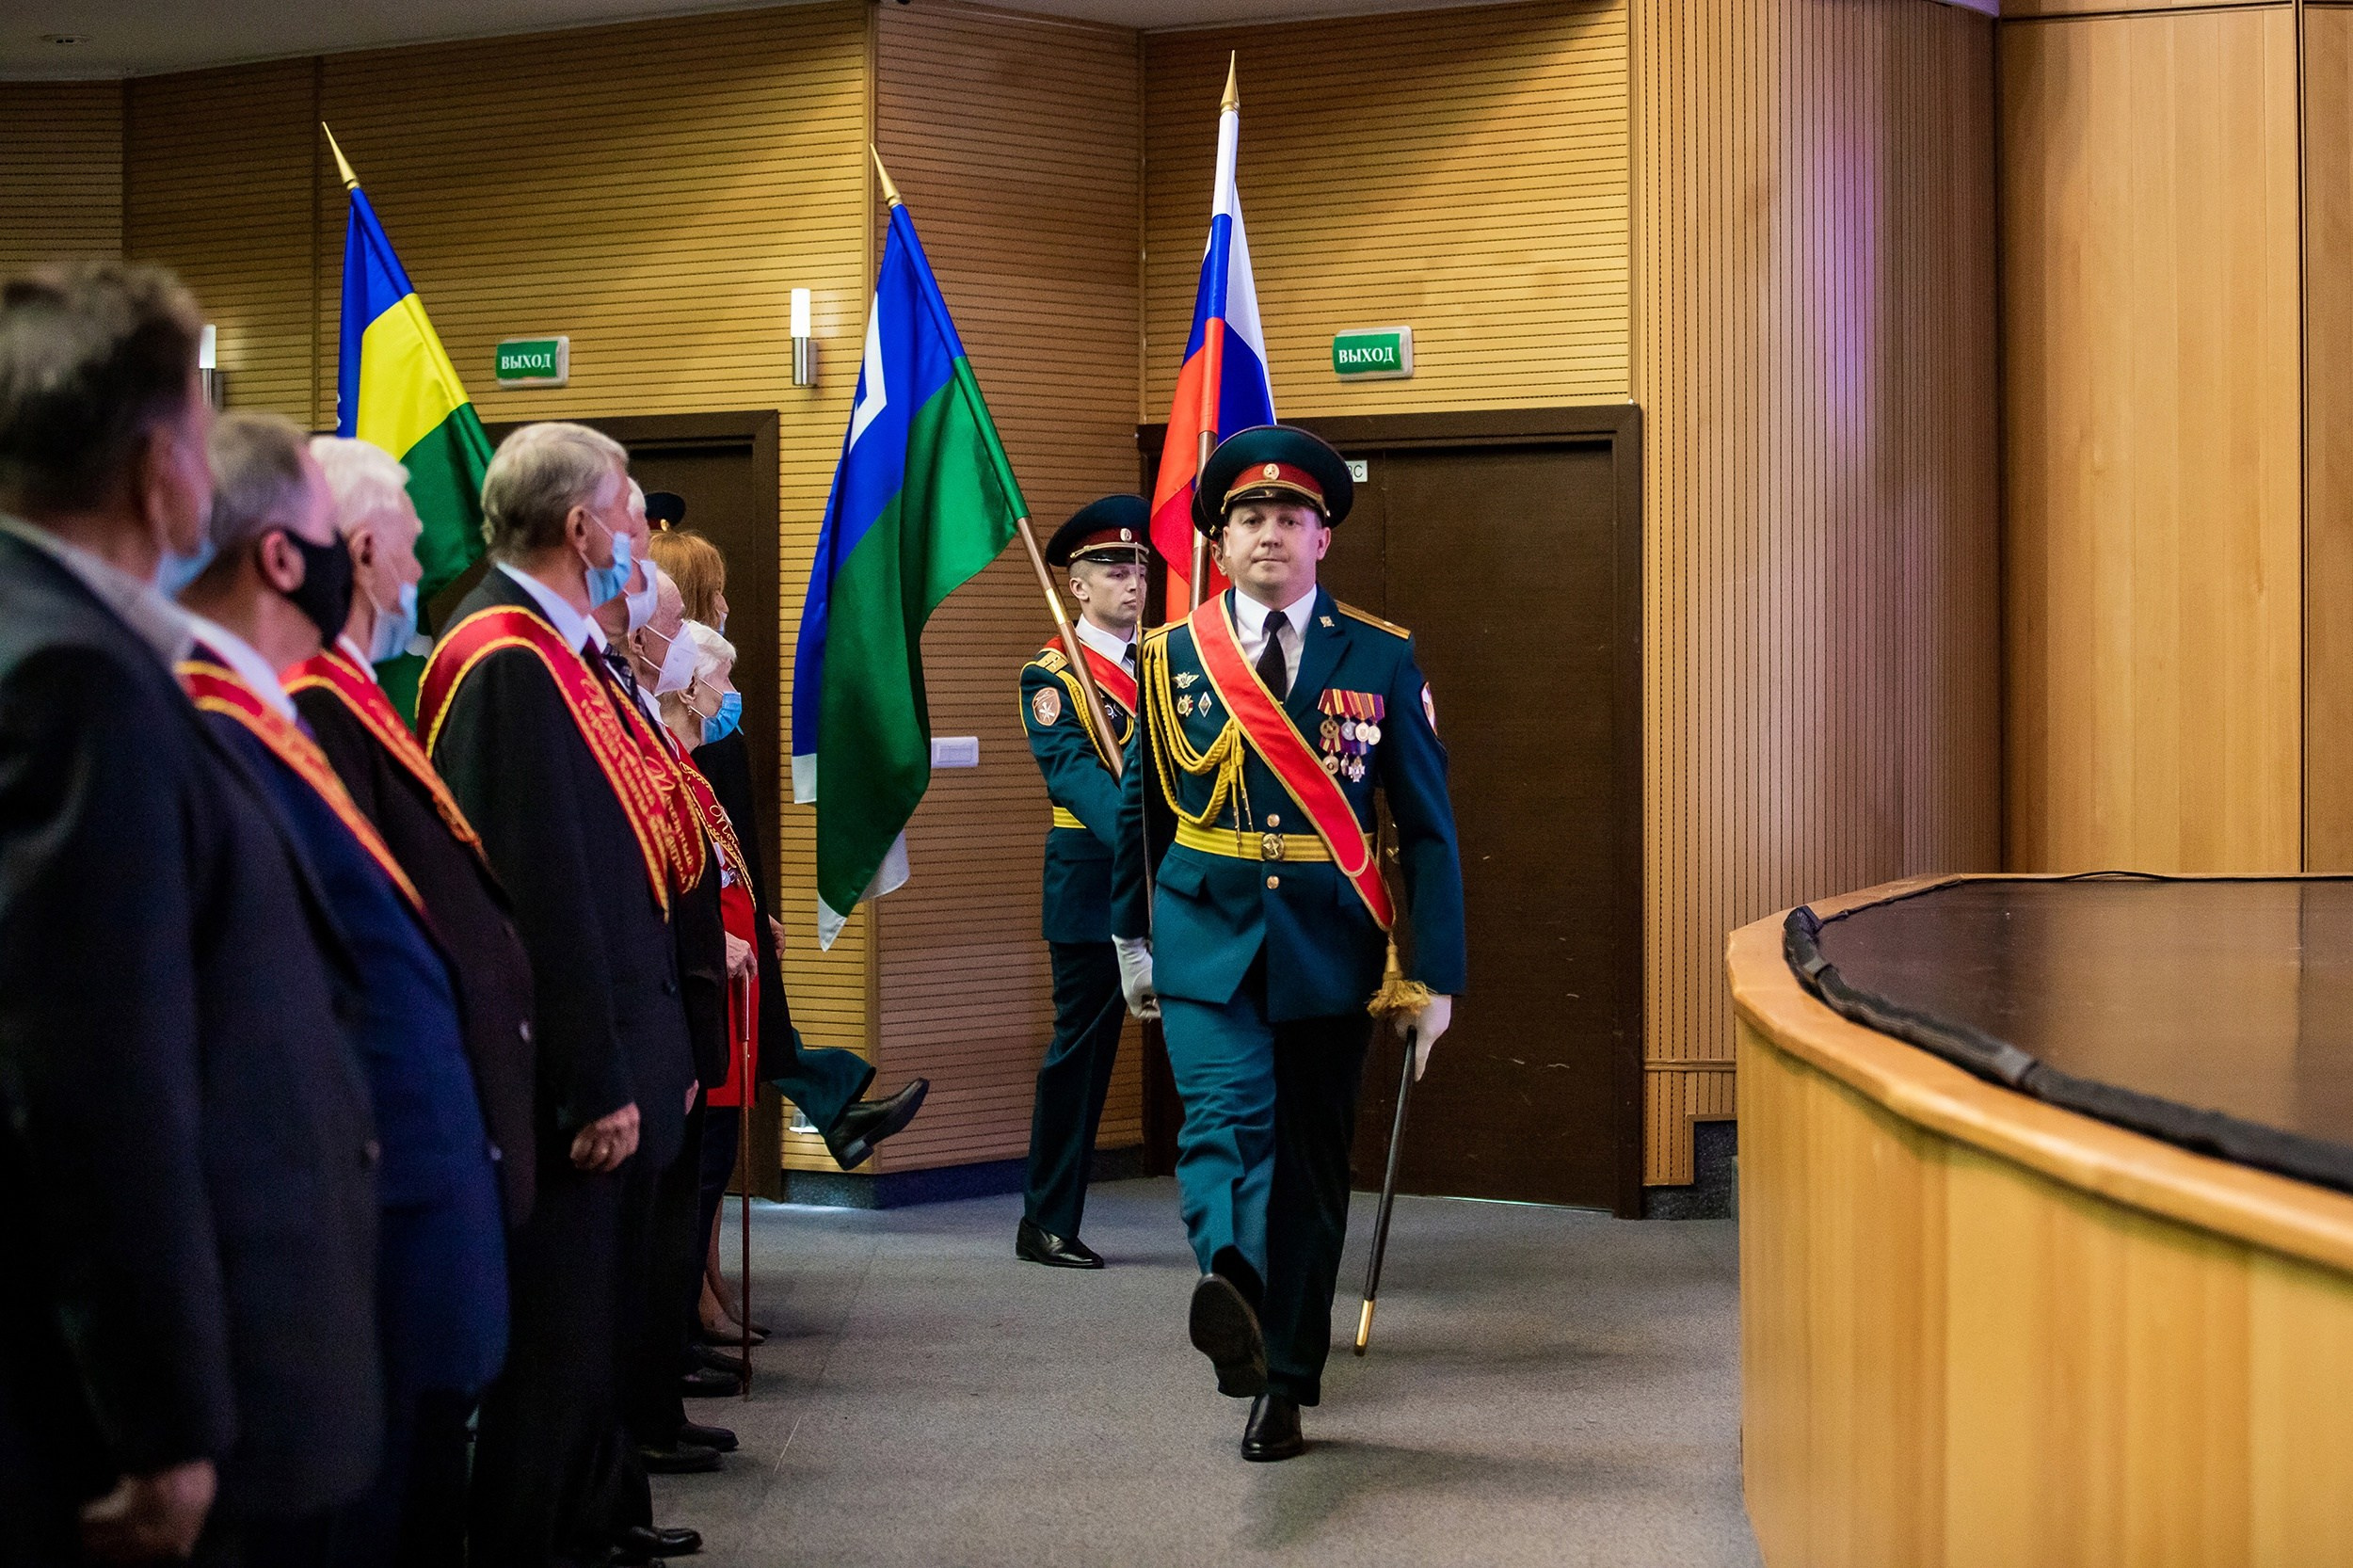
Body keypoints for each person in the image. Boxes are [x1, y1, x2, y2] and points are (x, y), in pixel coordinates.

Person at [0, 261, 380, 1566]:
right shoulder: (72, 676)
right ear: (162, 466)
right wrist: (164, 1423)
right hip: (174, 1390)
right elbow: (97, 1078)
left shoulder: (73, 645)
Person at [176, 411, 508, 1566]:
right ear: (295, 555)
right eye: (372, 540)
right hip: (322, 1260)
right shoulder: (208, 727)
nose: (402, 567)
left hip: (390, 1231)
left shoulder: (271, 717)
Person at [1112, 424, 1465, 1464]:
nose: (1270, 532)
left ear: (1323, 540)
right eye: (1249, 518)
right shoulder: (1167, 655)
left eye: (1291, 517)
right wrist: (1129, 941)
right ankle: (1235, 1278)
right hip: (1202, 932)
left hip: (1329, 946)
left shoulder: (1382, 655)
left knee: (1310, 1169)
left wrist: (1435, 976)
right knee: (1222, 1121)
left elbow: (1431, 829)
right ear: (1217, 544)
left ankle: (1285, 1380)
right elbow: (1140, 816)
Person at [422, 423, 696, 1568]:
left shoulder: (564, 647)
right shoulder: (505, 658)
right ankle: (536, 1537)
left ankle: (595, 1513)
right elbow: (538, 888)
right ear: (580, 528)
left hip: (627, 1036)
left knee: (600, 1322)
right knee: (558, 1335)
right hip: (571, 1072)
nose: (643, 532)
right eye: (629, 510)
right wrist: (593, 1079)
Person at [287, 435, 540, 1564]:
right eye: (399, 552)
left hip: (445, 1163)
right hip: (385, 1183)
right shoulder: (303, 710)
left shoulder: (355, 697)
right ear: (345, 554)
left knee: (425, 1472)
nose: (414, 578)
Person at [646, 518, 928, 1184]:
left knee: (760, 1047)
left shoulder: (716, 721)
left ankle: (833, 1104)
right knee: (726, 1092)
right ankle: (833, 1105)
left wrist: (757, 911)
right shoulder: (685, 724)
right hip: (702, 927)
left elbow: (735, 846)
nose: (723, 607)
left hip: (734, 914)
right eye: (711, 596)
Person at [1015, 496, 1151, 1269]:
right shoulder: (1053, 674)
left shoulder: (1168, 663)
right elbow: (1075, 778)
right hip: (1096, 881)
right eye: (1111, 567)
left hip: (1181, 878)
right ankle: (1048, 1218)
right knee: (1083, 1056)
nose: (1130, 581)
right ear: (1076, 584)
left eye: (1138, 566)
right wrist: (1150, 842)